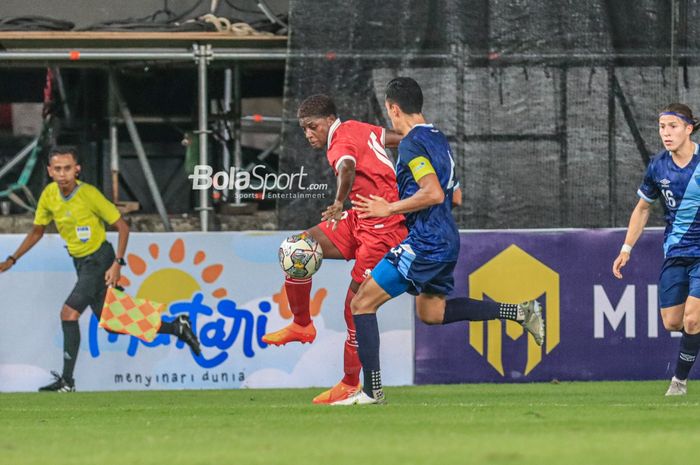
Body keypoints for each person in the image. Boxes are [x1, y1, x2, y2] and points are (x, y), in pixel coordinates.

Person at [343, 77, 545, 405]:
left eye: (388, 110)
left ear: (393, 108)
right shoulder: (438, 138)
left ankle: (372, 391)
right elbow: (456, 196)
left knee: (361, 304)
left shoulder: (410, 143)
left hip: (426, 241)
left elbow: (434, 193)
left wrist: (389, 207)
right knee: (432, 312)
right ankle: (521, 312)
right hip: (446, 237)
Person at [0, 146, 201, 392]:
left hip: (100, 259)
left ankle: (67, 381)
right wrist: (12, 259)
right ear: (50, 171)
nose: (63, 174)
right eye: (58, 169)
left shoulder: (89, 194)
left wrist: (117, 263)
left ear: (77, 170)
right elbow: (37, 231)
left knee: (68, 313)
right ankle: (177, 327)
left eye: (67, 168)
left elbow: (123, 227)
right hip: (81, 262)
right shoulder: (49, 195)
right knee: (112, 321)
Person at [261, 94, 411, 404]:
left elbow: (347, 168)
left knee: (354, 307)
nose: (308, 134)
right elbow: (398, 138)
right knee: (298, 249)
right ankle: (302, 324)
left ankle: (350, 383)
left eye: (312, 126)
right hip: (360, 218)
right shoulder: (359, 128)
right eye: (304, 129)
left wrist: (339, 201)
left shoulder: (339, 142)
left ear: (330, 120)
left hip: (383, 230)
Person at [613, 103, 700, 396]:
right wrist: (626, 248)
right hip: (676, 253)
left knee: (692, 318)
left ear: (689, 128)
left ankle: (679, 382)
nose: (666, 132)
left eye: (673, 126)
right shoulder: (658, 166)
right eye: (662, 127)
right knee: (673, 321)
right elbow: (642, 209)